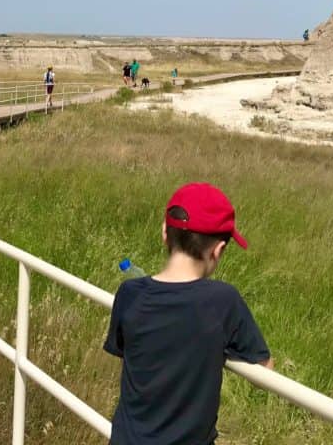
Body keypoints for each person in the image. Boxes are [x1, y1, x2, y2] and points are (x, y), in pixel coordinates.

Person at [104, 182, 272, 445]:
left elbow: (126, 353)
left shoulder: (129, 293)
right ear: (218, 250)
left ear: (164, 233)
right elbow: (265, 369)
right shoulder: (223, 301)